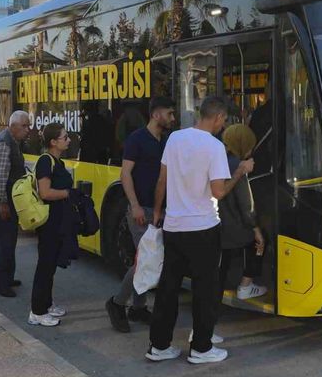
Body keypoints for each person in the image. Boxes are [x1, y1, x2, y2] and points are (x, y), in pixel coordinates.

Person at [147, 96, 254, 365]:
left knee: (168, 288)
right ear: (218, 117)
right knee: (205, 289)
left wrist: (158, 212)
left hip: (173, 225)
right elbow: (218, 192)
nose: (223, 125)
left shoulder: (174, 139)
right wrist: (240, 171)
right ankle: (201, 348)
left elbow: (162, 180)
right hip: (203, 228)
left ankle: (159, 346)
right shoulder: (214, 146)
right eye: (224, 120)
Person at [105, 96, 175, 333]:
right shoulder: (137, 139)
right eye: (169, 113)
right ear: (156, 114)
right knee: (145, 260)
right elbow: (125, 174)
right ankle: (117, 303)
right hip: (142, 209)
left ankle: (138, 307)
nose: (173, 118)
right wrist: (134, 205)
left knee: (147, 259)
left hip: (159, 209)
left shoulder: (166, 140)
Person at [29, 122, 79, 327]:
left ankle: (47, 304)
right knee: (45, 265)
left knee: (50, 266)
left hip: (58, 221)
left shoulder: (57, 161)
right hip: (48, 222)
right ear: (53, 142)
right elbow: (45, 192)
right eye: (64, 137)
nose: (68, 140)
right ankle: (37, 312)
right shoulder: (45, 161)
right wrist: (67, 193)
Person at [217, 124, 266, 309]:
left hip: (218, 225)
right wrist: (256, 229)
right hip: (234, 227)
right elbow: (246, 205)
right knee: (261, 242)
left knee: (221, 266)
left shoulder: (219, 160)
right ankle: (246, 285)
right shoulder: (239, 166)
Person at [0, 111, 31, 298]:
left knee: (7, 239)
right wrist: (2, 203)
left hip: (6, 199)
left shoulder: (12, 141)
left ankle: (0, 278)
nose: (28, 130)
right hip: (3, 200)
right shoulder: (5, 143)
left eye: (28, 126)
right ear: (13, 126)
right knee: (6, 241)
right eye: (24, 126)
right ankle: (2, 284)